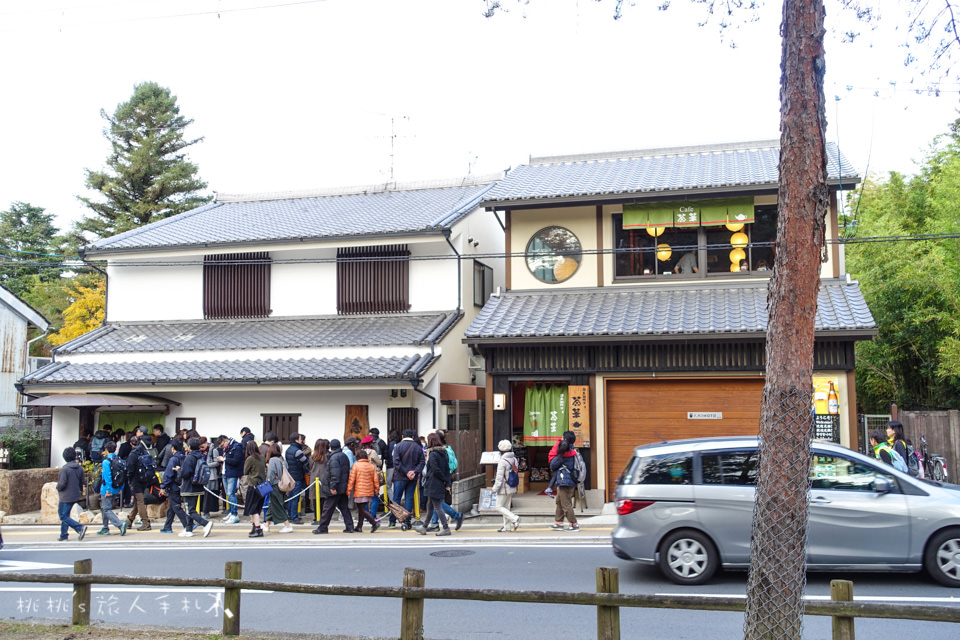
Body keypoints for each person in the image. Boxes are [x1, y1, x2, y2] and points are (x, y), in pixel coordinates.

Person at [413, 432, 451, 537]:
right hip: (439, 483)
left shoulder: (433, 454)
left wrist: (443, 479)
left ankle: (446, 528)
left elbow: (435, 469)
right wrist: (447, 482)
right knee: (430, 505)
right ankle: (424, 527)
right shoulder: (443, 453)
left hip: (434, 483)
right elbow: (447, 469)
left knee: (437, 506)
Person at [314, 439, 355, 534]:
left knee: (327, 508)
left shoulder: (334, 458)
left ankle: (323, 528)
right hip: (342, 486)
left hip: (335, 488)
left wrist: (333, 487)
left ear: (331, 448)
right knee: (344, 508)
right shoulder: (344, 456)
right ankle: (350, 527)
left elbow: (335, 474)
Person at [426, 430, 464, 532]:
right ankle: (434, 523)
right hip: (445, 477)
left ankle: (455, 516)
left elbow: (436, 469)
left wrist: (445, 480)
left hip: (439, 479)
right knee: (434, 502)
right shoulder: (446, 449)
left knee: (437, 502)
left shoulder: (436, 452)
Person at [178, 437, 214, 538]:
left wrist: (179, 470)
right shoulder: (200, 456)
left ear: (189, 447)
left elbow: (185, 473)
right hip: (198, 486)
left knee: (190, 510)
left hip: (189, 487)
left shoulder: (190, 457)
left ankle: (205, 523)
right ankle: (188, 529)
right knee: (189, 508)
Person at [389, 429, 424, 529]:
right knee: (409, 498)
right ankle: (407, 521)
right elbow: (422, 462)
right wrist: (414, 472)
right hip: (412, 478)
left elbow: (396, 462)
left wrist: (406, 472)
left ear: (402, 436)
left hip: (400, 477)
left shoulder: (398, 446)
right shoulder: (417, 447)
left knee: (396, 499)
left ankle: (392, 521)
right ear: (412, 437)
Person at [159, 441, 192, 536]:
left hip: (173, 485)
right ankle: (167, 526)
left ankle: (188, 524)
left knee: (176, 506)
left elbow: (168, 474)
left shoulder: (173, 459)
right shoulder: (184, 458)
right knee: (172, 507)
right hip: (181, 484)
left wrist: (163, 486)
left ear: (173, 448)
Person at [549, 432, 580, 532]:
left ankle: (574, 524)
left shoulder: (565, 452)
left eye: (562, 437)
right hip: (567, 480)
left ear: (565, 439)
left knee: (566, 504)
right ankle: (558, 522)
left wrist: (559, 454)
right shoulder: (572, 450)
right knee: (559, 501)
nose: (560, 438)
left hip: (565, 482)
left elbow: (553, 465)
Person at [56, 448, 87, 542]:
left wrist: (58, 488)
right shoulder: (79, 468)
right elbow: (82, 481)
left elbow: (62, 483)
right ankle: (63, 534)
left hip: (65, 495)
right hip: (75, 494)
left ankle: (79, 528)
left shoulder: (65, 469)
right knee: (66, 515)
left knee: (63, 516)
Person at [125, 435, 155, 531]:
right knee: (137, 501)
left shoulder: (133, 454)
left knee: (140, 501)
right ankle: (129, 521)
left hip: (136, 480)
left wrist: (130, 481)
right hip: (144, 479)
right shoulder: (144, 451)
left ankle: (146, 522)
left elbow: (130, 469)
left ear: (131, 444)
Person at [97, 441, 127, 536]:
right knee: (104, 508)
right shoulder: (119, 460)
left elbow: (107, 477)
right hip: (116, 488)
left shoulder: (106, 462)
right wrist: (121, 488)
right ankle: (105, 527)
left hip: (107, 489)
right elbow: (123, 476)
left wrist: (108, 490)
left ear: (106, 450)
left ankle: (120, 524)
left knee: (106, 509)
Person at [348, 449, 381, 533]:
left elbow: (352, 479)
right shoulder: (371, 466)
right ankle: (359, 526)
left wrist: (348, 490)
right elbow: (375, 479)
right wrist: (377, 490)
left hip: (359, 490)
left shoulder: (356, 465)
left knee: (361, 509)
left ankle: (373, 523)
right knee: (361, 508)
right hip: (369, 490)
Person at [492, 440, 521, 532]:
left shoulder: (502, 461)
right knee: (505, 507)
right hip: (512, 486)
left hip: (504, 488)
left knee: (498, 506)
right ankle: (507, 527)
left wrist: (494, 489)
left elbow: (499, 478)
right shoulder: (514, 459)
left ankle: (515, 518)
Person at [265, 443, 294, 533]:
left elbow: (270, 475)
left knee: (277, 506)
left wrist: (267, 485)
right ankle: (266, 525)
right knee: (272, 505)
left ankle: (288, 526)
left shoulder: (272, 460)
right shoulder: (283, 460)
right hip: (282, 485)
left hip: (274, 485)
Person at [242, 440, 266, 537]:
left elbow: (245, 471)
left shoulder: (250, 458)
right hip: (263, 485)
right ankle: (254, 528)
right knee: (257, 507)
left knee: (253, 509)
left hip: (254, 485)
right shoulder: (262, 457)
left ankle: (258, 529)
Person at [284, 433, 309, 523]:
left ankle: (290, 515)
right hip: (297, 476)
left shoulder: (288, 450)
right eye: (300, 439)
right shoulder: (297, 451)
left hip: (290, 476)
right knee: (295, 498)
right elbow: (306, 461)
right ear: (296, 440)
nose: (301, 441)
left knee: (291, 497)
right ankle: (294, 517)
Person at [221, 435, 244, 524]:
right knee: (228, 494)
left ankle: (234, 514)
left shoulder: (236, 447)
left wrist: (225, 459)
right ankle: (231, 512)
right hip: (225, 472)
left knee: (231, 494)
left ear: (226, 441)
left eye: (222, 444)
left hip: (232, 473)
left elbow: (236, 460)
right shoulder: (228, 448)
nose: (222, 446)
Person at [360, 435, 383, 516]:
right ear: (370, 443)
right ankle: (372, 516)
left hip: (363, 476)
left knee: (365, 498)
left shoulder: (360, 452)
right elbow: (379, 463)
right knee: (374, 497)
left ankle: (366, 517)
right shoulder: (372, 452)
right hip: (372, 476)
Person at [307, 439, 329, 522]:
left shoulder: (312, 457)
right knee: (324, 500)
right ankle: (323, 517)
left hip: (313, 479)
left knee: (315, 500)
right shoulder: (326, 457)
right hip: (324, 479)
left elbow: (309, 467)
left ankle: (316, 516)